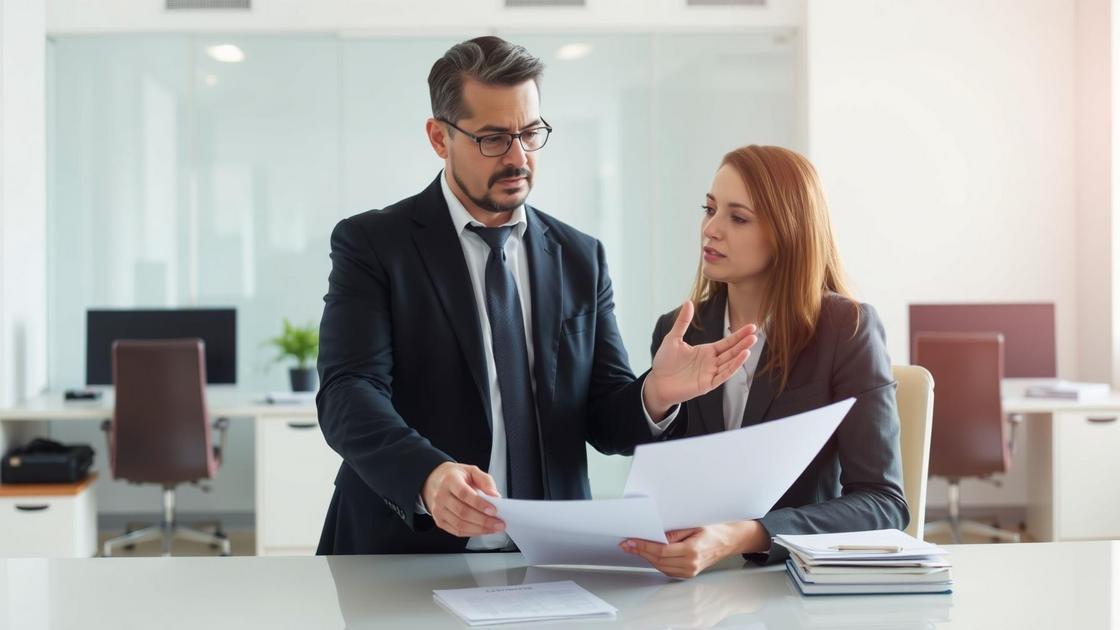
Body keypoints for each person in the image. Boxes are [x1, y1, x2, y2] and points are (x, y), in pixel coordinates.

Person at [315, 36, 756, 555]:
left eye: (530, 133)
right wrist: (427, 476)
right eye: (494, 139)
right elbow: (349, 392)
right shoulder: (374, 245)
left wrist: (656, 393)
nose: (518, 157)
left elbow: (603, 418)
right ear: (439, 137)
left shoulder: (579, 257)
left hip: (551, 558)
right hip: (402, 552)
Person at [620, 145, 909, 577]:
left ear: (788, 231)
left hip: (793, 578)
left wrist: (747, 534)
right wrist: (659, 399)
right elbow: (667, 487)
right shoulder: (678, 332)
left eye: (737, 218)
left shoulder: (845, 328)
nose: (710, 230)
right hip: (694, 581)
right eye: (709, 209)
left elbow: (883, 504)